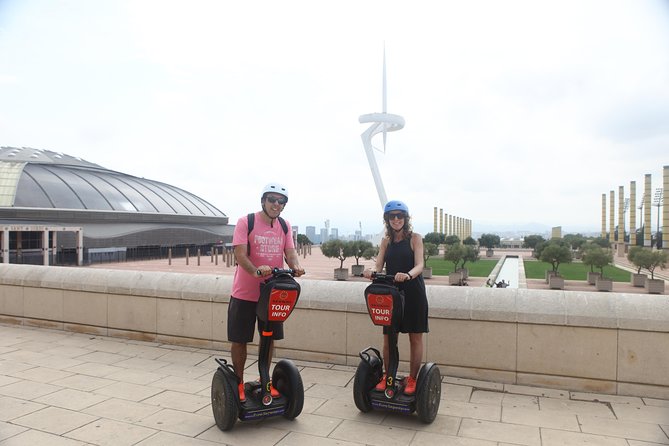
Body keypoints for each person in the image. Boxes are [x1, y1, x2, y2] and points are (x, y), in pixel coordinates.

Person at [228, 182, 305, 402]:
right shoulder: (246, 222)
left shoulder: (284, 225)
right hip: (244, 292)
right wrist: (254, 271)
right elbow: (240, 254)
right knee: (240, 339)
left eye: (281, 201)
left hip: (273, 293)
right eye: (272, 200)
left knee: (268, 337)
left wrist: (296, 266)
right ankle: (240, 383)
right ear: (263, 201)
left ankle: (265, 379)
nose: (276, 204)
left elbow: (290, 253)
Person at [363, 200, 428, 395]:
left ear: (406, 219)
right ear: (387, 219)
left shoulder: (415, 238)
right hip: (392, 294)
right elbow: (379, 265)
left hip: (413, 293)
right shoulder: (386, 242)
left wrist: (408, 274)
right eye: (392, 216)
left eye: (400, 216)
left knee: (414, 338)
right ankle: (387, 376)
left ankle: (413, 379)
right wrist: (371, 271)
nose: (396, 219)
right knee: (388, 338)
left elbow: (420, 265)